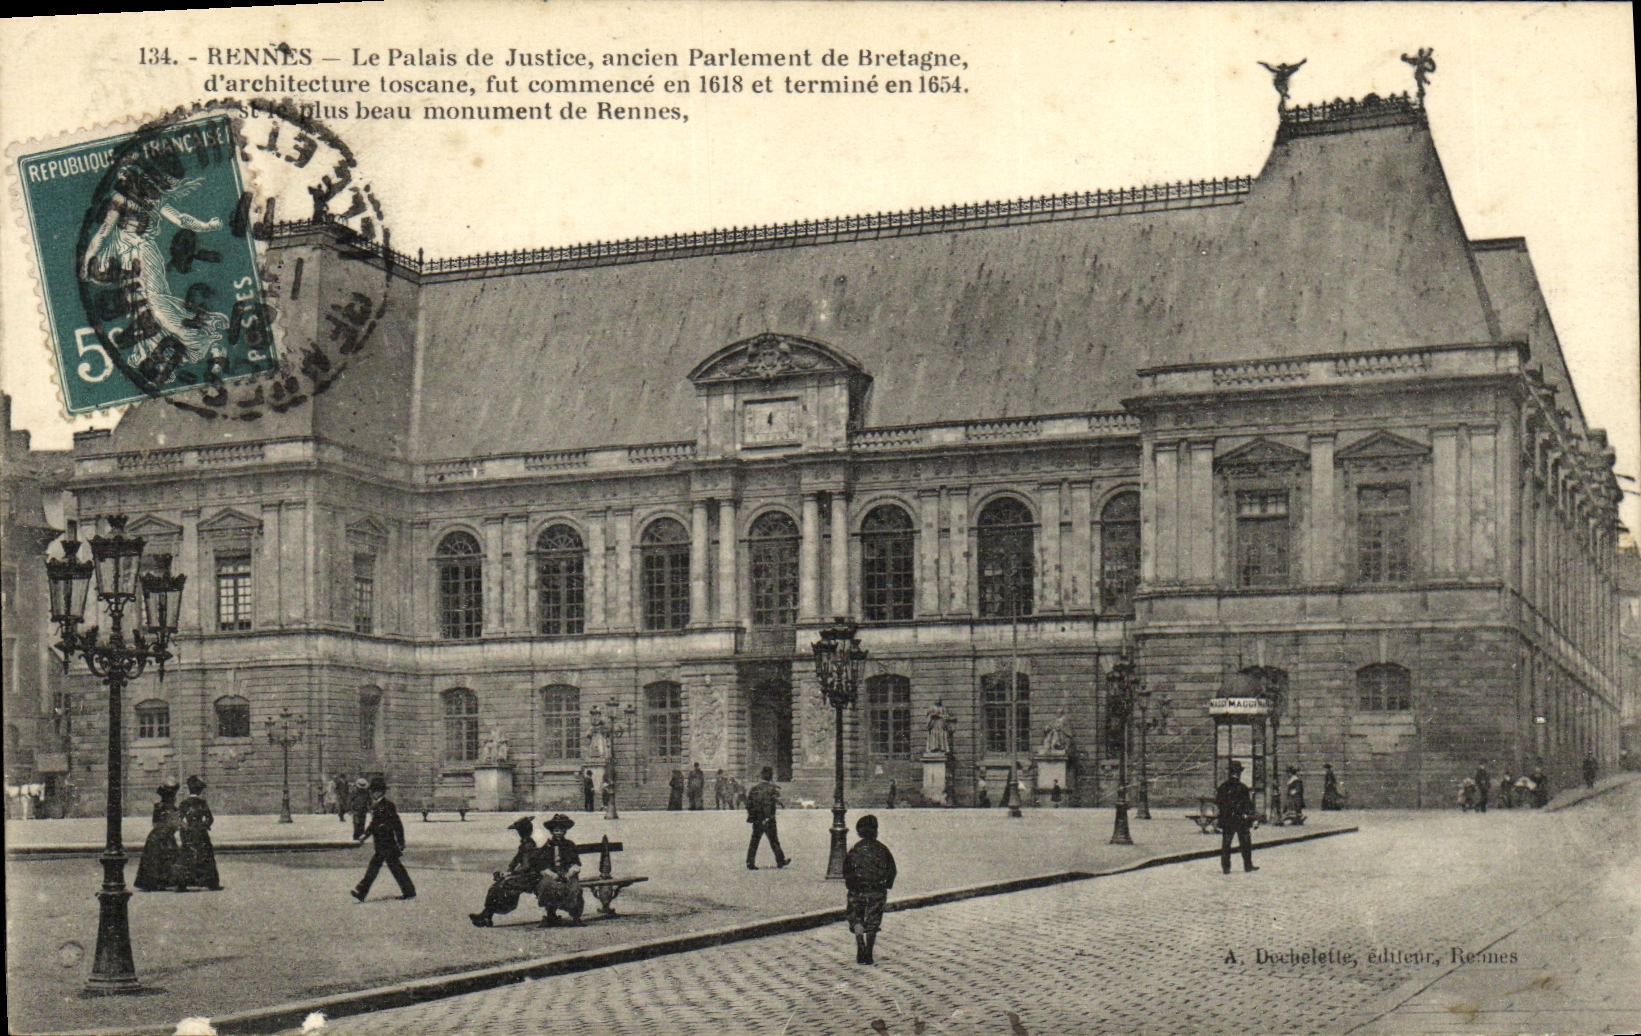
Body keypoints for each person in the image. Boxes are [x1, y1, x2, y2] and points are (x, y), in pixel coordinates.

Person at [842, 814, 897, 965]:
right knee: (873, 920)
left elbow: (846, 870)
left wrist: (851, 885)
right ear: (876, 831)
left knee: (857, 917)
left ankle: (860, 943)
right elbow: (892, 870)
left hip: (857, 890)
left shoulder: (855, 849)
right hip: (876, 890)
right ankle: (869, 952)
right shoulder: (882, 849)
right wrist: (886, 884)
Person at [470, 816, 544, 927]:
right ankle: (486, 915)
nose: (519, 834)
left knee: (499, 886)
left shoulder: (528, 845)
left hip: (529, 877)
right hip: (526, 875)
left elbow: (526, 865)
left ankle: (487, 916)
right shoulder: (526, 844)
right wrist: (509, 870)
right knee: (497, 886)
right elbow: (516, 861)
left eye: (519, 831)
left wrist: (510, 874)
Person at [352, 776, 415, 901]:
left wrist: (401, 841)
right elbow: (374, 824)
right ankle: (409, 891)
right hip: (382, 844)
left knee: (375, 867)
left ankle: (361, 891)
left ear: (379, 792)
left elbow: (397, 823)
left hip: (387, 843)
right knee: (395, 868)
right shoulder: (378, 805)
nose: (371, 793)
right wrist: (365, 834)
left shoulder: (387, 805)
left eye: (373, 791)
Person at [174, 775, 223, 891]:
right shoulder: (202, 803)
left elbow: (178, 819)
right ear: (199, 791)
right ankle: (211, 883)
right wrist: (204, 826)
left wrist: (185, 828)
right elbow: (210, 818)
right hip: (201, 833)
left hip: (189, 833)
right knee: (205, 855)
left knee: (186, 856)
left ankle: (183, 884)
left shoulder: (184, 803)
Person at [535, 814, 584, 925]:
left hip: (567, 873)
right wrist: (552, 874)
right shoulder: (547, 846)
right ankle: (551, 914)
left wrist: (569, 873)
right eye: (556, 831)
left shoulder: (569, 845)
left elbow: (576, 862)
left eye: (561, 830)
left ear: (565, 831)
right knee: (546, 885)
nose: (558, 833)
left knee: (573, 888)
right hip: (552, 873)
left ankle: (575, 916)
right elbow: (541, 863)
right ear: (552, 832)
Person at [134, 778, 182, 892]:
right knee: (166, 857)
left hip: (157, 835)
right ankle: (164, 881)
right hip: (165, 836)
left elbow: (155, 823)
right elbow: (174, 825)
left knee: (156, 858)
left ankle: (156, 882)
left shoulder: (159, 807)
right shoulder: (172, 809)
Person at [1215, 761, 1258, 874]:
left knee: (1226, 844)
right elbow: (1248, 805)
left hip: (1228, 819)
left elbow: (1219, 802)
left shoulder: (1223, 787)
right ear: (1239, 773)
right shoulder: (1242, 788)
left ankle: (1226, 868)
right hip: (1240, 819)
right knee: (1245, 843)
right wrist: (1251, 818)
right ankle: (1248, 866)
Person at [745, 766, 790, 870]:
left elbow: (748, 804)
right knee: (774, 841)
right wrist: (767, 817)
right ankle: (780, 861)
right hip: (768, 819)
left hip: (757, 819)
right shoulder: (772, 789)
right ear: (770, 776)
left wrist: (753, 816)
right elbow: (768, 804)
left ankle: (750, 862)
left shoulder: (754, 789)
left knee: (754, 841)